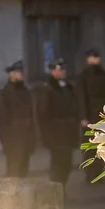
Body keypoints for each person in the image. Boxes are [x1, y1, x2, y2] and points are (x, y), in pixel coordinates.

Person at [37, 59, 80, 195]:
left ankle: (62, 192)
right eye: (59, 69)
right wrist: (48, 135)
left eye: (63, 69)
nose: (62, 72)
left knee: (67, 165)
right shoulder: (48, 89)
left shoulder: (68, 87)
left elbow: (74, 106)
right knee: (57, 166)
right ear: (52, 71)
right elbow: (43, 114)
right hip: (55, 135)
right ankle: (56, 195)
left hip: (68, 133)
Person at [75, 49, 105, 183]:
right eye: (92, 58)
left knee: (101, 145)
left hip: (102, 115)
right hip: (89, 116)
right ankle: (90, 173)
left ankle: (99, 171)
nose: (95, 60)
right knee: (89, 146)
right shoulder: (83, 76)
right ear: (88, 60)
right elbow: (81, 97)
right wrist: (83, 116)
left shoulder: (103, 74)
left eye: (96, 57)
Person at [0, 60, 35, 177]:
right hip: (13, 141)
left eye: (22, 71)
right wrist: (6, 142)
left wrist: (32, 139)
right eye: (18, 71)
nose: (21, 73)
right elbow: (1, 122)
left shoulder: (26, 92)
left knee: (24, 172)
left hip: (26, 139)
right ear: (10, 74)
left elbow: (31, 117)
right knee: (13, 174)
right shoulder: (3, 94)